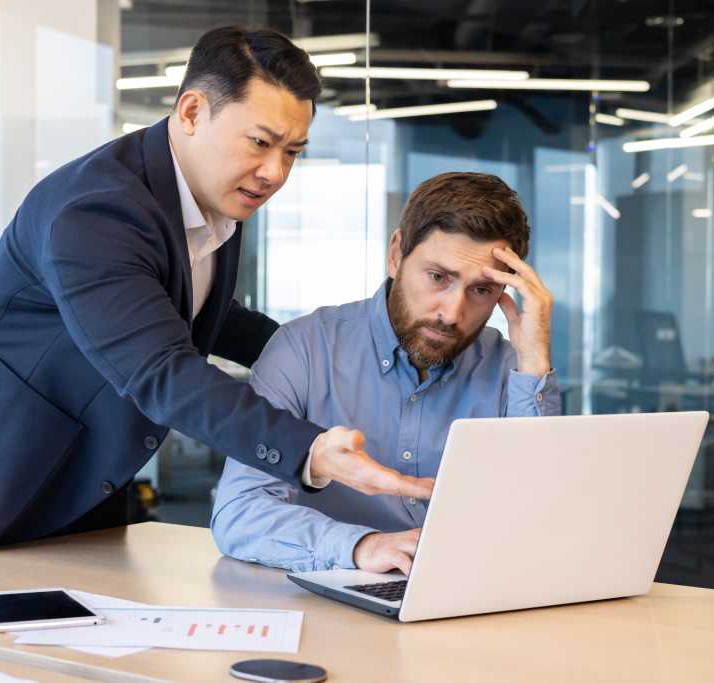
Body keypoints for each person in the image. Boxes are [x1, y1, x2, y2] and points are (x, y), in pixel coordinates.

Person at [0, 26, 432, 561]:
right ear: (193, 112)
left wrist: (325, 356)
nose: (274, 173)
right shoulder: (96, 211)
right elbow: (162, 369)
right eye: (261, 143)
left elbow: (202, 315)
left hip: (90, 471)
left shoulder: (216, 191)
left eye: (292, 151)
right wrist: (308, 450)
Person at [211, 172, 560, 575]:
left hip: (466, 601)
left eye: (481, 290)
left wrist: (534, 362)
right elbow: (240, 512)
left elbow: (538, 520)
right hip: (332, 603)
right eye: (438, 277)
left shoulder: (512, 370)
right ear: (396, 254)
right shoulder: (304, 350)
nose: (452, 312)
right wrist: (360, 546)